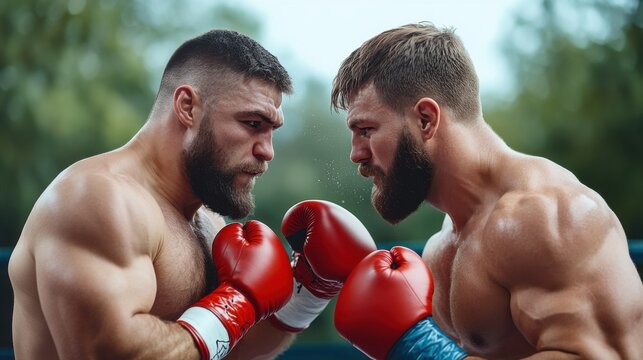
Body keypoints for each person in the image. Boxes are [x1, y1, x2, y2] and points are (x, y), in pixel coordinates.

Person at [330, 22, 643, 359]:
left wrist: (422, 350)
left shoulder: (548, 216)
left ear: (425, 120)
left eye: (366, 130)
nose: (355, 154)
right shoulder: (441, 246)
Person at [9, 29, 300, 360]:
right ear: (187, 106)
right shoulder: (97, 198)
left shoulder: (210, 222)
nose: (267, 151)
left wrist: (306, 295)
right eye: (252, 123)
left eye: (271, 130)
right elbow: (105, 350)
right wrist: (235, 307)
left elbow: (226, 349)